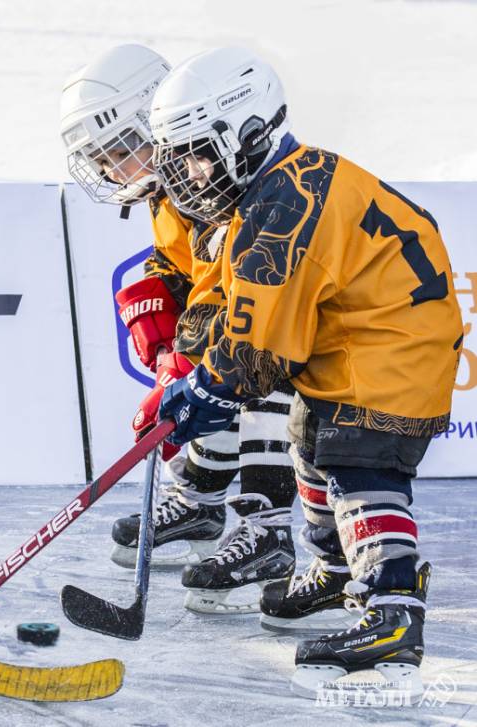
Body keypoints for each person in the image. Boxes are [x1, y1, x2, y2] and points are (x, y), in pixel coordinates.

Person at [148, 46, 461, 694]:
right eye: (178, 158)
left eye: (198, 152)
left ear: (247, 133)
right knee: (309, 440)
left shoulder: (283, 206)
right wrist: (197, 372)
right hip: (358, 333)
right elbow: (240, 310)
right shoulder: (273, 189)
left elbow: (258, 349)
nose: (187, 173)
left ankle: (392, 608)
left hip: (391, 341)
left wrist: (205, 389)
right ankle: (334, 572)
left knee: (357, 462)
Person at [59, 44, 298, 615]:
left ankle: (268, 531)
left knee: (245, 383)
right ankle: (199, 503)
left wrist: (187, 357)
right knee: (198, 388)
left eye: (115, 153)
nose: (107, 172)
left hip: (290, 337)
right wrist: (152, 298)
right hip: (239, 323)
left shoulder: (215, 183)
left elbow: (247, 289)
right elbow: (186, 264)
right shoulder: (169, 190)